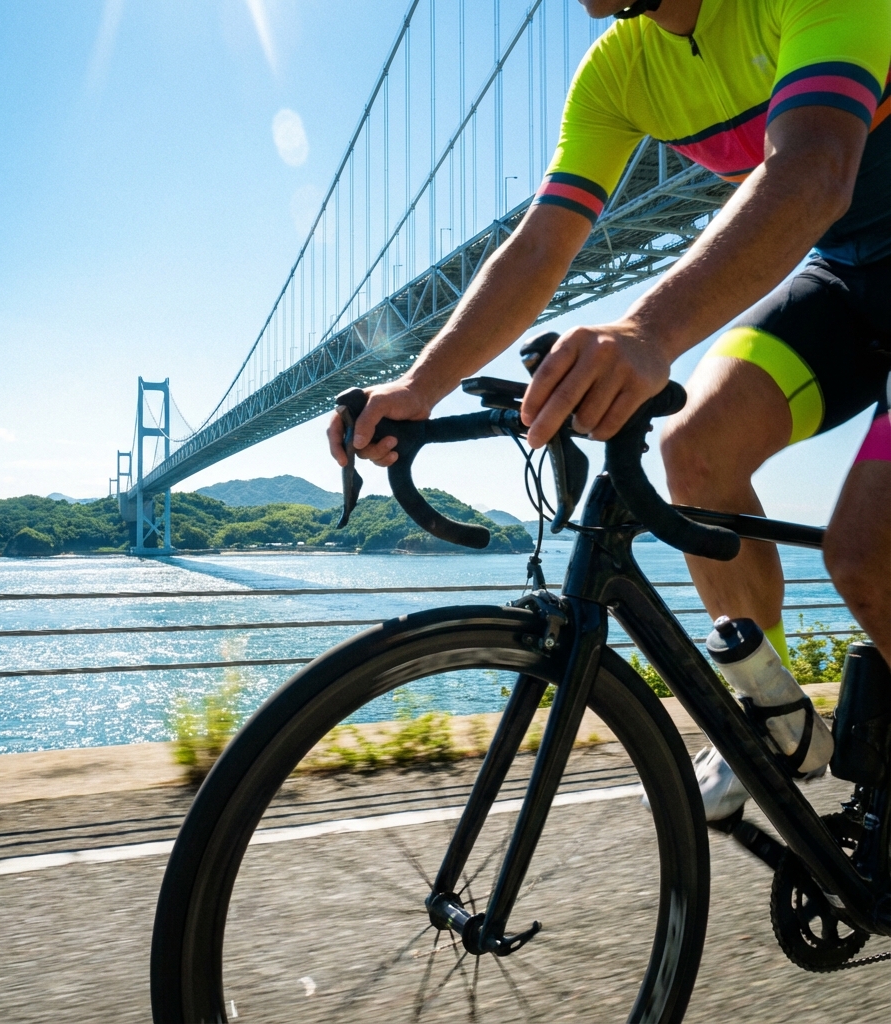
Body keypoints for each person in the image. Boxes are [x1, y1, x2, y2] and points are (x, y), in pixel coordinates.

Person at [327, 0, 891, 818]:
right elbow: (543, 243)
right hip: (847, 278)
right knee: (695, 447)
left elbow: (813, 171)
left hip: (843, 233)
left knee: (867, 552)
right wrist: (420, 386)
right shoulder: (616, 71)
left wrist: (643, 331)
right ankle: (776, 722)